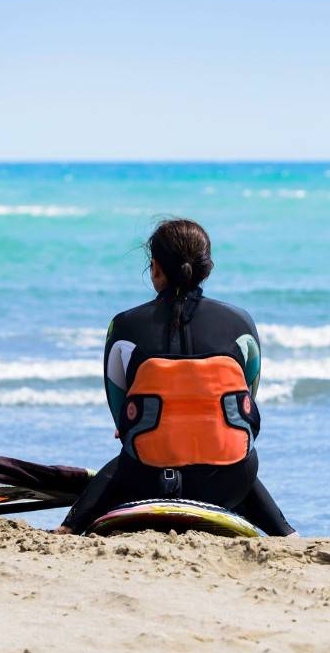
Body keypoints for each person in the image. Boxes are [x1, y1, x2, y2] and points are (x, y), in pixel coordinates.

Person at [55, 218, 295, 536]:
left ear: (155, 268)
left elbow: (119, 407)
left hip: (147, 480)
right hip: (228, 485)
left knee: (123, 462)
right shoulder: (241, 323)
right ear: (207, 268)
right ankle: (287, 534)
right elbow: (247, 397)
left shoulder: (124, 326)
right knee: (237, 457)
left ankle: (69, 529)